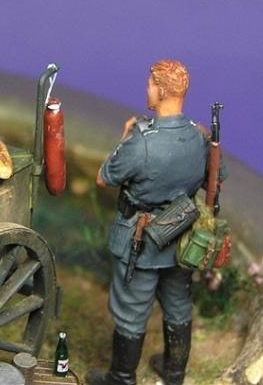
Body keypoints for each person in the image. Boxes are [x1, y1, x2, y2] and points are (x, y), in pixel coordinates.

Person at [86, 60, 220, 385]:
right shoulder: (200, 136)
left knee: (131, 311)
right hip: (182, 238)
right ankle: (175, 372)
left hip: (142, 241)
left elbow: (104, 177)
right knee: (178, 303)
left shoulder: (141, 141)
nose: (146, 89)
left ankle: (121, 378)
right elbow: (215, 178)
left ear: (161, 91)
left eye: (149, 85)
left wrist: (124, 138)